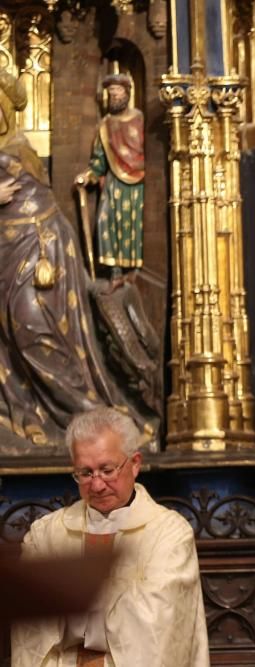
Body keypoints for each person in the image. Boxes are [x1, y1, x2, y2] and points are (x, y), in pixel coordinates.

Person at [0, 71, 150, 452]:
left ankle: (89, 415)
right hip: (9, 253)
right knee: (22, 332)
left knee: (38, 328)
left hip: (45, 249)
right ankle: (58, 419)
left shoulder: (17, 146)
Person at [10, 407, 209, 666]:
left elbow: (156, 626)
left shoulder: (168, 533)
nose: (97, 485)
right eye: (85, 473)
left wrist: (71, 616)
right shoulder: (46, 534)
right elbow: (31, 624)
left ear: (135, 464)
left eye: (107, 470)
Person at [76, 73, 145, 278]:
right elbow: (98, 160)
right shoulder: (105, 125)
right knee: (106, 220)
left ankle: (134, 271)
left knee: (134, 225)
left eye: (118, 92)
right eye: (111, 93)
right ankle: (114, 272)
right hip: (113, 182)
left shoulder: (139, 119)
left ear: (127, 93)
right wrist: (87, 177)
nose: (114, 96)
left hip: (138, 182)